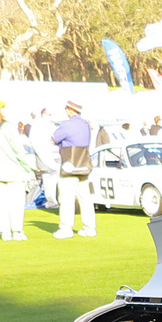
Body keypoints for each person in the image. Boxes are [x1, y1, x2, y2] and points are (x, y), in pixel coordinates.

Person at [0, 99, 37, 241]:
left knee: (2, 204)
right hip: (14, 171)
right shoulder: (8, 127)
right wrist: (29, 166)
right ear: (1, 110)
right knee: (17, 203)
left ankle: (5, 232)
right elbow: (19, 150)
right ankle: (17, 231)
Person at [51, 99, 95, 239]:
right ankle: (89, 227)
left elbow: (53, 140)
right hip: (84, 164)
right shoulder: (86, 124)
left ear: (70, 110)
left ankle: (66, 228)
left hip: (69, 165)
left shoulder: (66, 125)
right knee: (85, 198)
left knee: (66, 198)